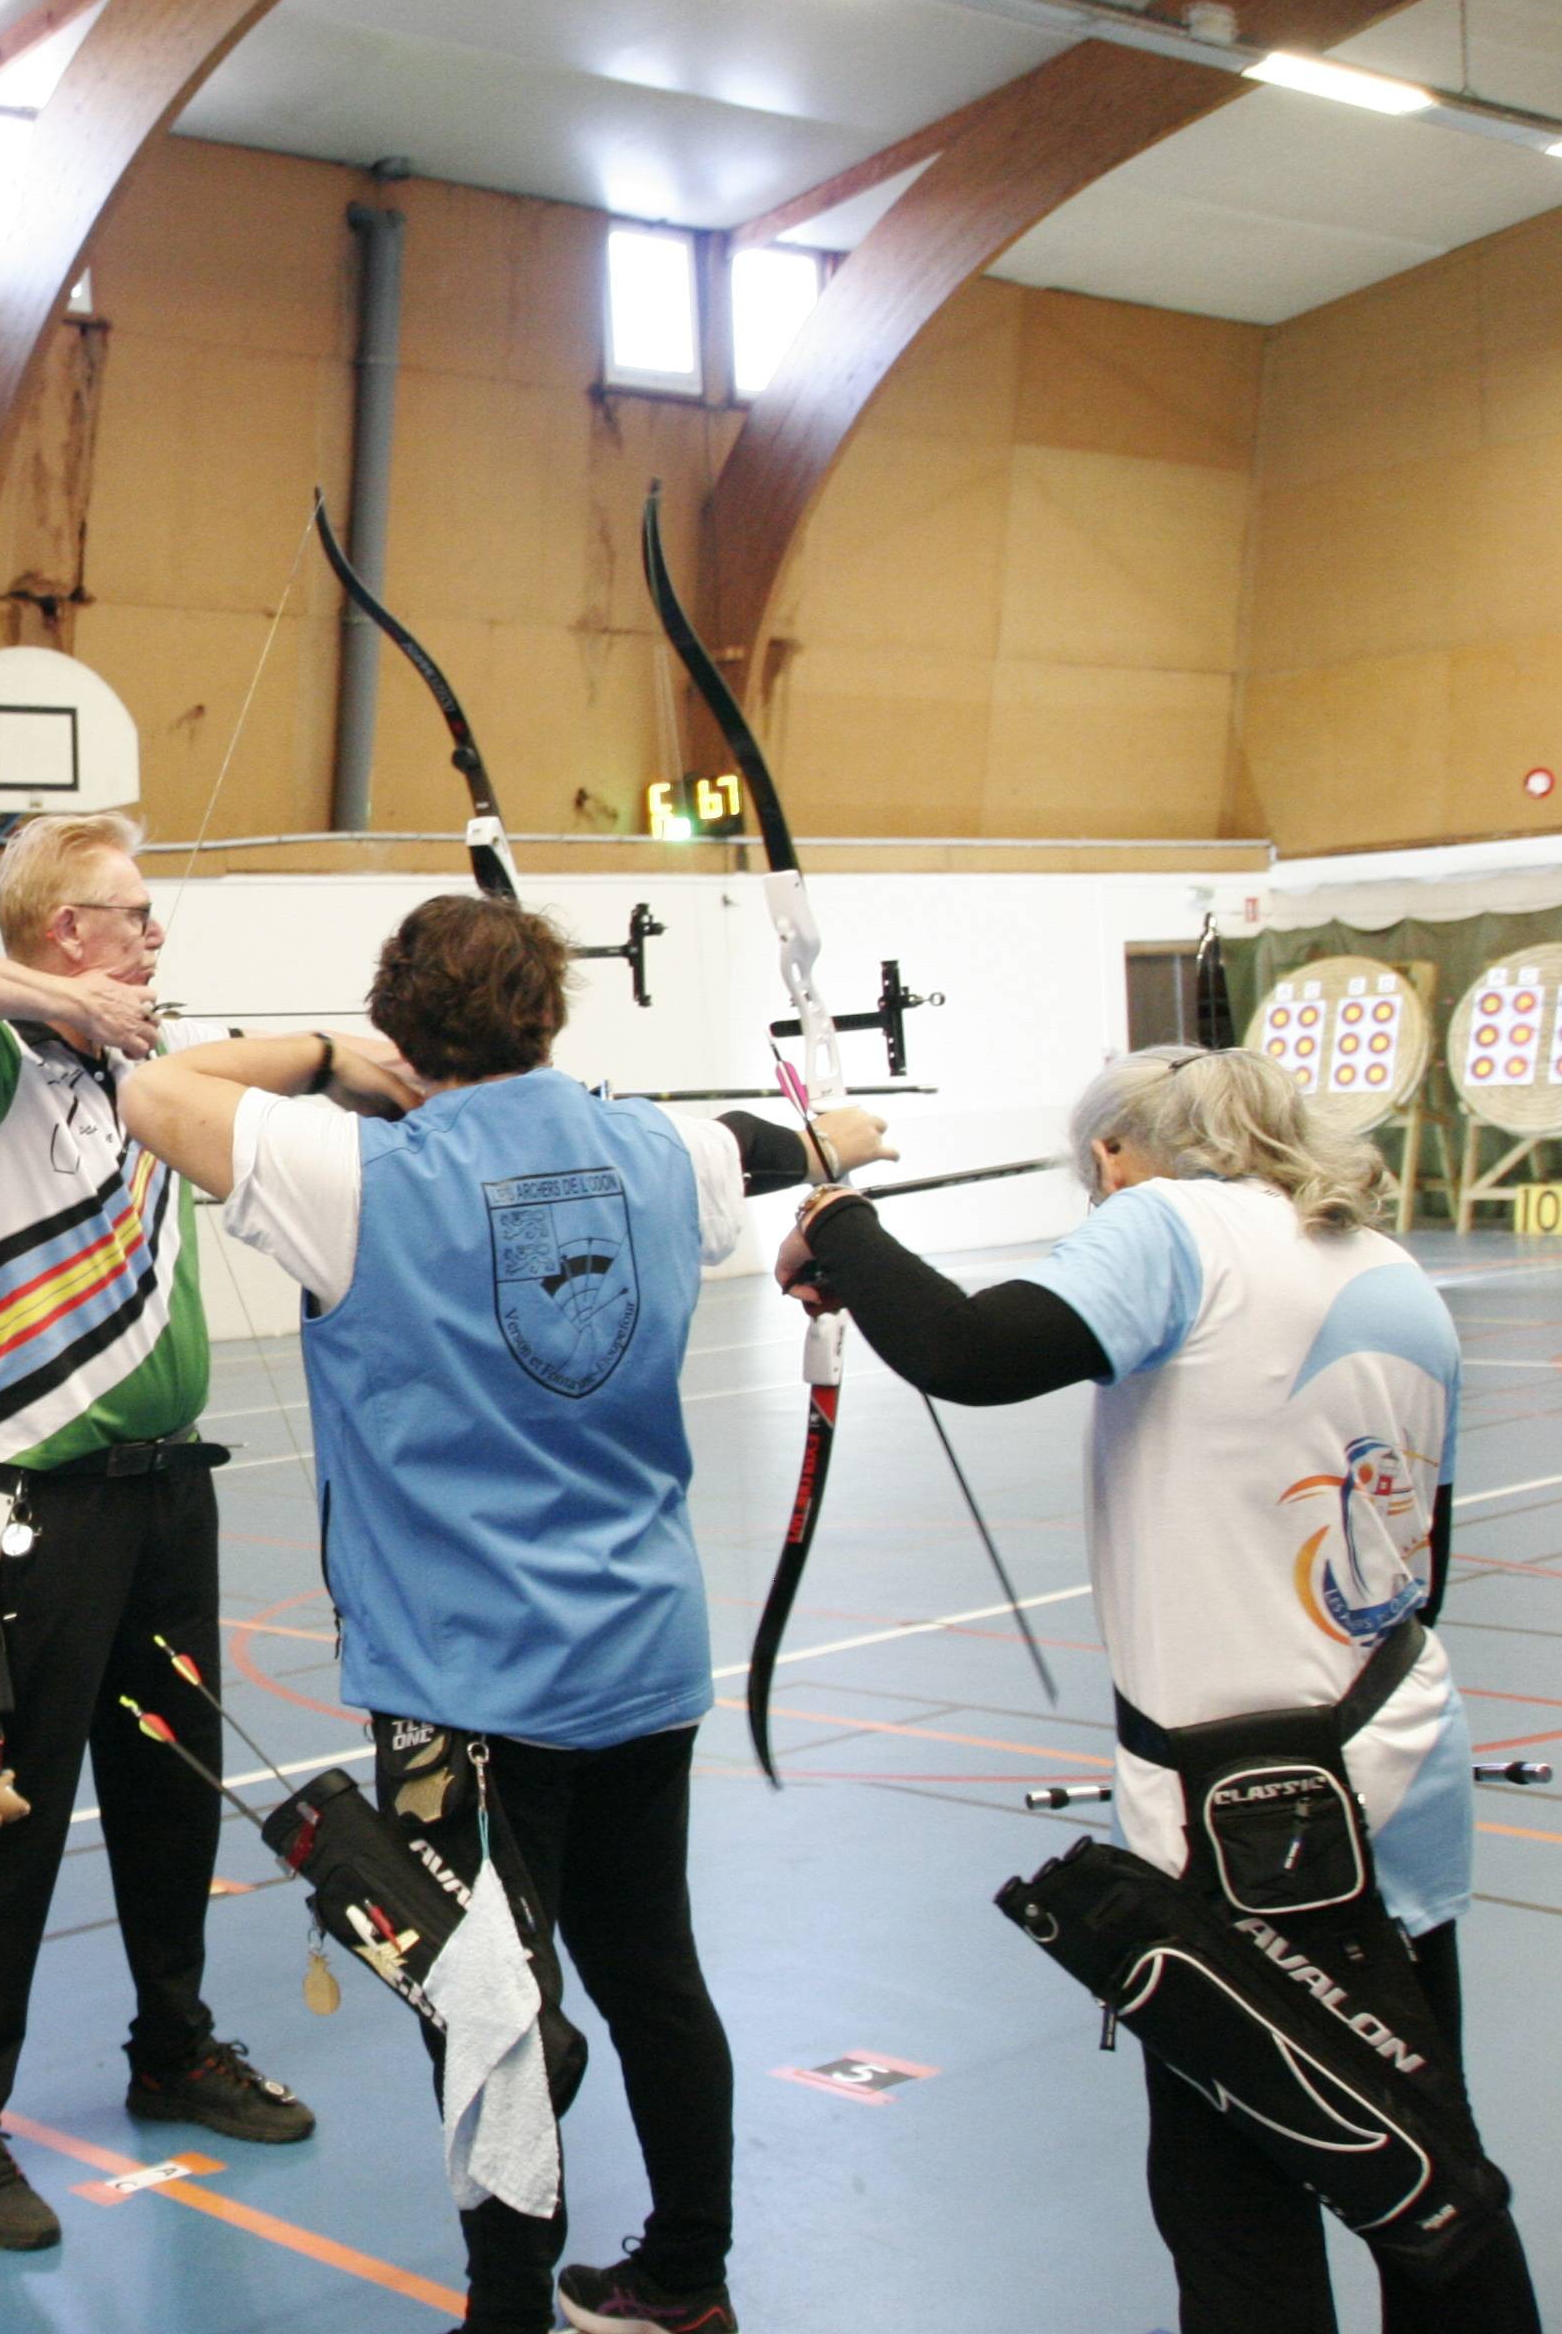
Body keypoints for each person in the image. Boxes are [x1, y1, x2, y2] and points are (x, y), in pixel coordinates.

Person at [117, 892, 884, 2334]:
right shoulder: (660, 1150)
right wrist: (852, 1140)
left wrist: (341, 1057)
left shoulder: (358, 1171)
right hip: (642, 1657)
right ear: (550, 1011)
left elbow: (159, 1087)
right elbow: (796, 1144)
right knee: (652, 1969)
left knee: (485, 2004)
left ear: (410, 1025)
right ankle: (688, 2275)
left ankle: (510, 2308)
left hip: (463, 1686)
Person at [775, 1046, 1541, 2334]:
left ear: (1126, 1149)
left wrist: (840, 1223)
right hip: (1404, 1765)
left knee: (1232, 2192)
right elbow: (1430, 1560)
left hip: (1253, 1820)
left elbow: (972, 1347)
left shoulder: (1172, 1218)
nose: (1098, 1193)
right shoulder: (1385, 1265)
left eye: (1097, 1169)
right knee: (1421, 2165)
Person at [0, 810, 312, 2252]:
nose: (155, 934)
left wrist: (339, 1061)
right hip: (38, 1507)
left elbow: (231, 1077)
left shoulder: (139, 1071)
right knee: (5, 1810)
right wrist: (63, 1004)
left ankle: (172, 2047)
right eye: (132, 914)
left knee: (172, 1788)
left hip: (165, 1494)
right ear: (68, 936)